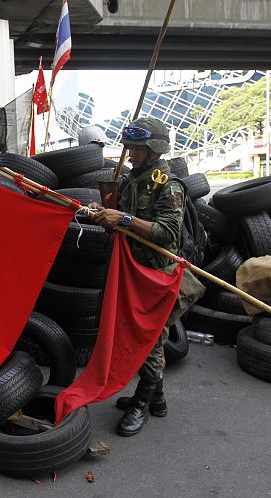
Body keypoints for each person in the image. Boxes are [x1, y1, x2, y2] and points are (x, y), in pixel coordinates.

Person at [86, 117, 185, 437]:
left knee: (151, 341)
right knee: (131, 334)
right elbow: (121, 221)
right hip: (130, 268)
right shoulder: (130, 178)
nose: (131, 152)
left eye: (138, 148)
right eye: (129, 146)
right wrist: (105, 216)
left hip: (157, 274)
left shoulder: (167, 185)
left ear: (154, 148)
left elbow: (167, 233)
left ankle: (142, 403)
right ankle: (157, 400)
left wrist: (124, 218)